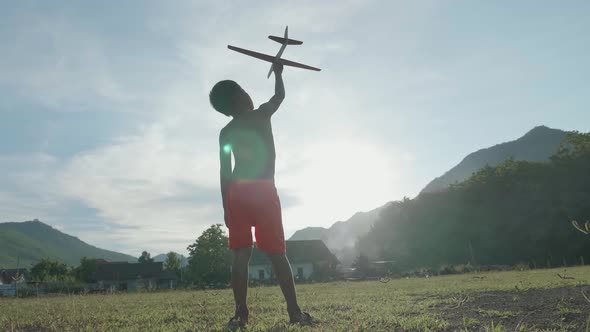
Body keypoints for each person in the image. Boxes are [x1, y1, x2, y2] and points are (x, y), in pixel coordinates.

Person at [209, 63, 313, 328]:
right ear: (239, 98)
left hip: (237, 193)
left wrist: (225, 206)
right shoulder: (261, 114)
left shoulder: (226, 133)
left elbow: (225, 172)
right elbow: (279, 97)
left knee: (240, 255)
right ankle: (294, 313)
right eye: (244, 90)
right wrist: (278, 73)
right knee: (277, 253)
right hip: (264, 191)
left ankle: (241, 314)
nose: (248, 93)